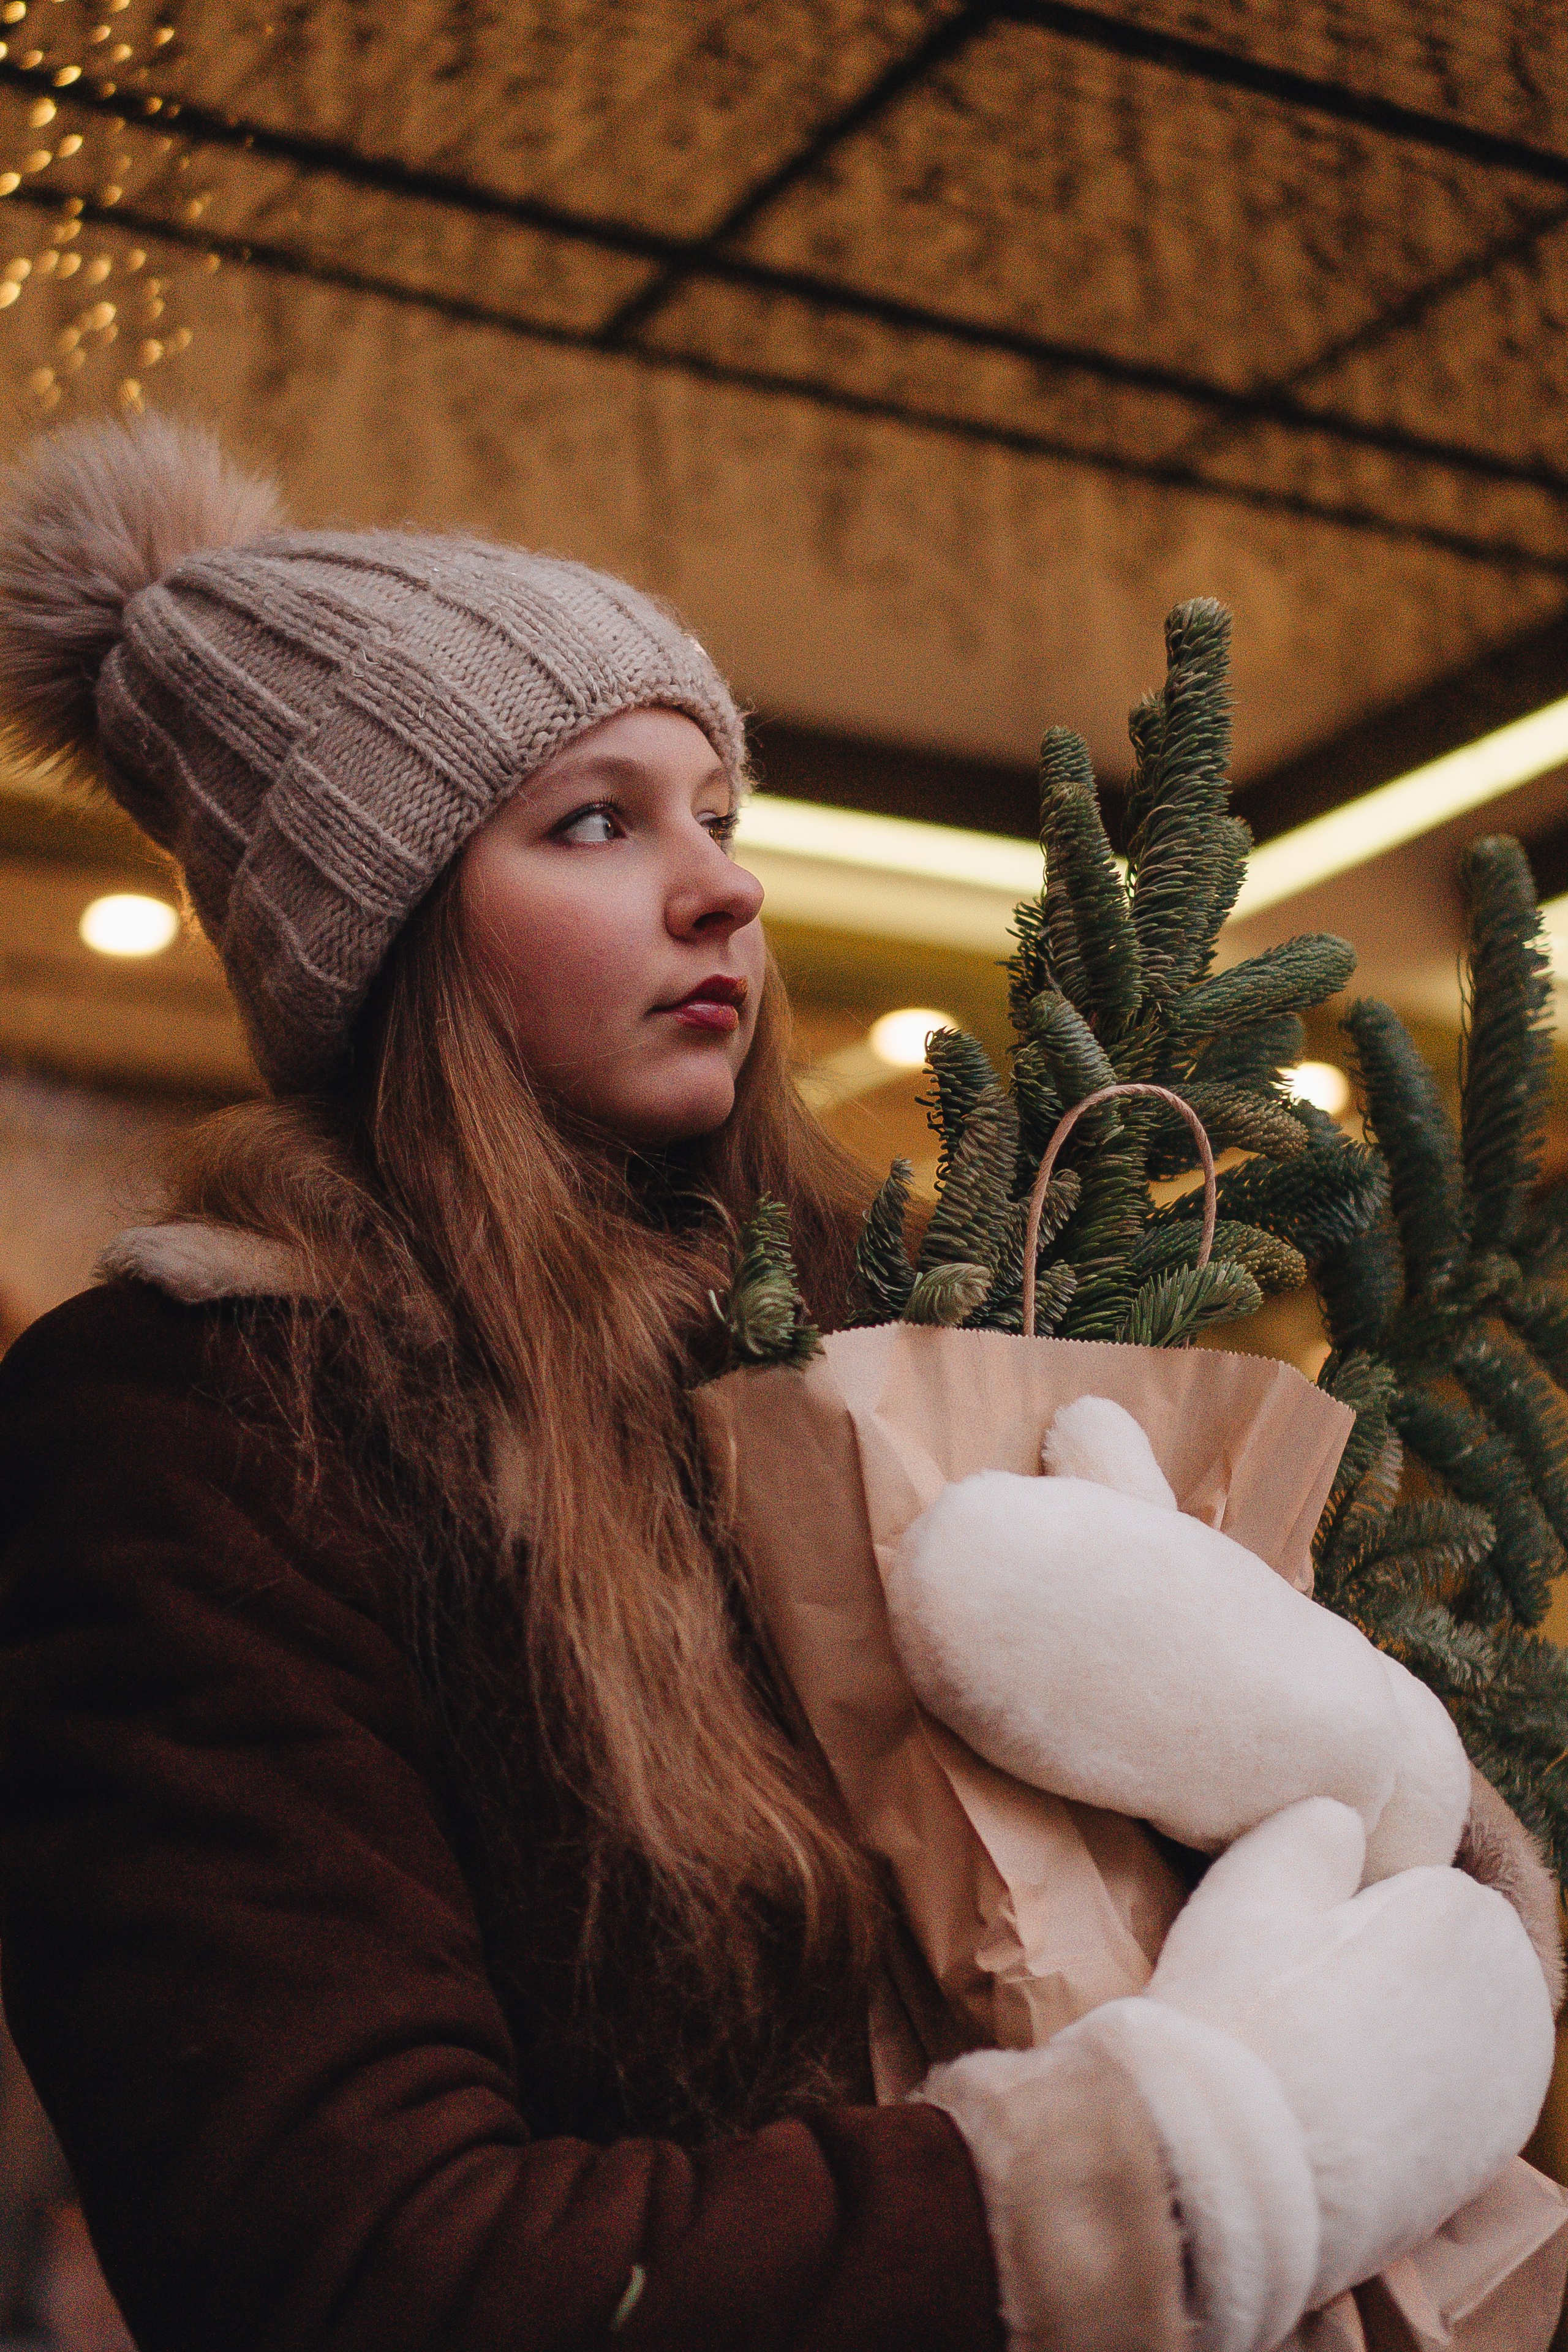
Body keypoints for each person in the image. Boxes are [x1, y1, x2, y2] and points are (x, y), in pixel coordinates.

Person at [0, 414, 1558, 2352]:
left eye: (716, 815)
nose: (722, 889)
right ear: (378, 930)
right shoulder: (202, 1423)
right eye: (594, 819)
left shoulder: (889, 1322)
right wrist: (1169, 2170)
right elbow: (350, 2259)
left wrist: (1362, 1781)